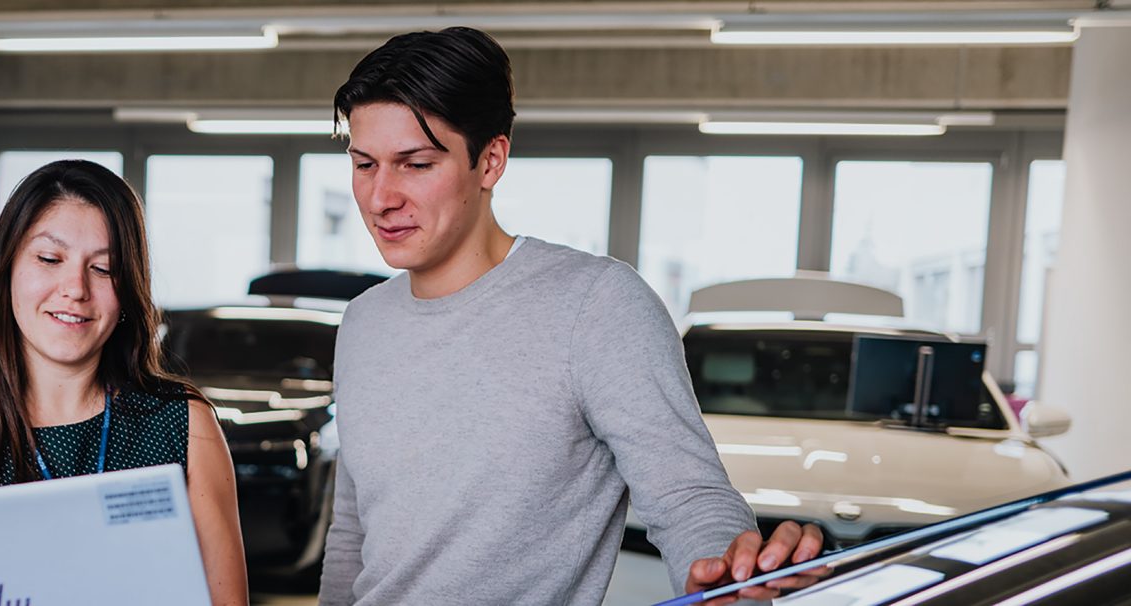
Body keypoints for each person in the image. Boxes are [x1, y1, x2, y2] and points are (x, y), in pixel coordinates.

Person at [318, 28, 827, 606]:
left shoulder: (597, 305)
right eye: (364, 165)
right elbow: (354, 534)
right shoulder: (362, 322)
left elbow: (687, 495)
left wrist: (732, 574)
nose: (381, 197)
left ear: (490, 161)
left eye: (413, 164)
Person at [0, 160, 249, 605]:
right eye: (50, 259)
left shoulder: (180, 425)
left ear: (129, 288)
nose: (75, 288)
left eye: (104, 268)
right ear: (6, 268)